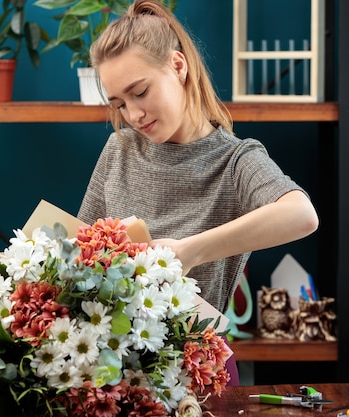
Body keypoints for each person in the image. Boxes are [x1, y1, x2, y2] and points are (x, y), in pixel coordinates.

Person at [77, 0, 319, 385]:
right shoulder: (118, 150)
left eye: (140, 92)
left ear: (177, 66)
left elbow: (302, 215)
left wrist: (188, 252)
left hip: (198, 372)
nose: (133, 115)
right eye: (119, 103)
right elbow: (80, 253)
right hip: (114, 372)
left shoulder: (236, 159)